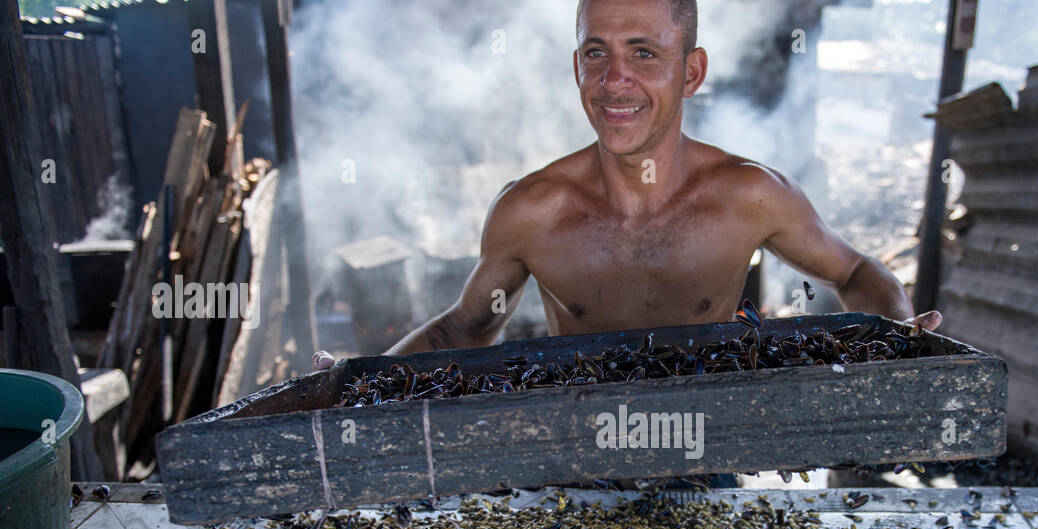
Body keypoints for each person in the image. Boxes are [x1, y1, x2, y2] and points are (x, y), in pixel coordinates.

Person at [313, 0, 939, 373]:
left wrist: (900, 330)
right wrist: (358, 378)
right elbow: (463, 332)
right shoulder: (531, 211)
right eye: (595, 54)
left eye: (643, 54)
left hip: (707, 460)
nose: (615, 80)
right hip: (571, 466)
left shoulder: (749, 196)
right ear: (576, 67)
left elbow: (855, 271)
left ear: (691, 72)